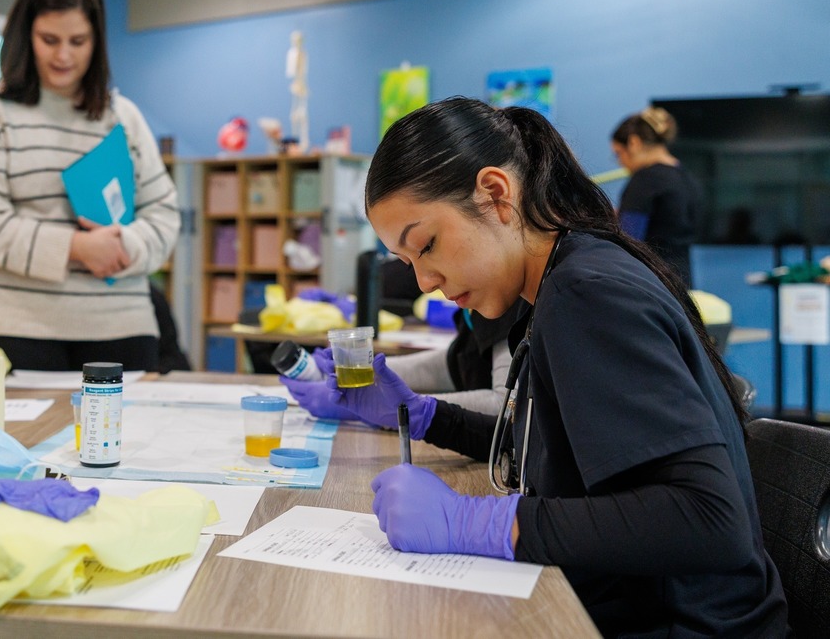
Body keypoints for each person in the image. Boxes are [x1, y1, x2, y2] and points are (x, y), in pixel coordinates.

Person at [324, 97, 787, 637]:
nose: (425, 281)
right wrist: (424, 415)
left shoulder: (586, 294)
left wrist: (475, 522)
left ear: (496, 194)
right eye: (408, 264)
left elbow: (709, 521)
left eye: (426, 245)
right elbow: (547, 445)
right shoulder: (563, 279)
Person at [0, 0, 179, 371]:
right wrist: (77, 248)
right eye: (49, 40)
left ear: (97, 42)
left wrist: (123, 244)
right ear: (25, 37)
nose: (63, 56)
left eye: (78, 41)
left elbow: (164, 216)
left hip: (118, 326)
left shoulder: (123, 118)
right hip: (4, 322)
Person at [282, 303, 520, 416]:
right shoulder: (479, 294)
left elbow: (507, 408)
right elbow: (460, 365)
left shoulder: (512, 300)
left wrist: (385, 409)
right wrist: (367, 371)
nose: (425, 282)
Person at [610, 106, 700, 286]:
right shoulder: (687, 178)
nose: (620, 163)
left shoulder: (644, 180)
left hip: (651, 286)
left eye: (619, 154)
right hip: (682, 286)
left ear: (634, 143)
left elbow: (629, 242)